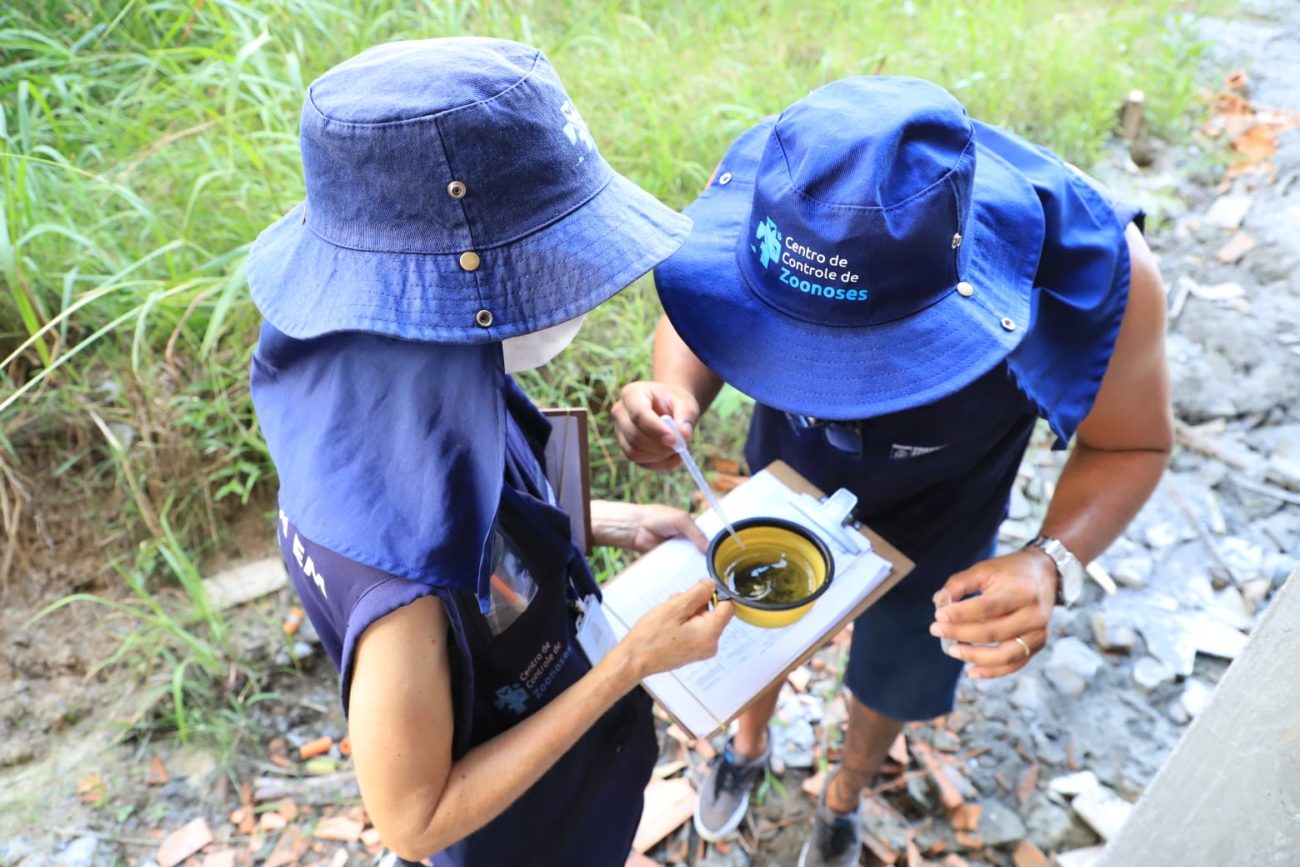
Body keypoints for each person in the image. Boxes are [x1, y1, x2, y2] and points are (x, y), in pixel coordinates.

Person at [613, 76, 1172, 866]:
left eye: (877, 356)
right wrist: (676, 390)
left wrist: (1050, 559)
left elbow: (1133, 443)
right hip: (788, 472)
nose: (845, 390)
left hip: (946, 508)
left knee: (903, 664)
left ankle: (846, 793)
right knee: (754, 618)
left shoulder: (1093, 271)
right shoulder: (783, 185)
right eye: (806, 345)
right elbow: (701, 301)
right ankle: (747, 742)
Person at [246, 38, 734, 866]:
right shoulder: (399, 583)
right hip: (514, 830)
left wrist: (608, 521)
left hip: (558, 730)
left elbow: (474, 496)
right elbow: (415, 815)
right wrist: (627, 666)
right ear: (457, 291)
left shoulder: (374, 361)